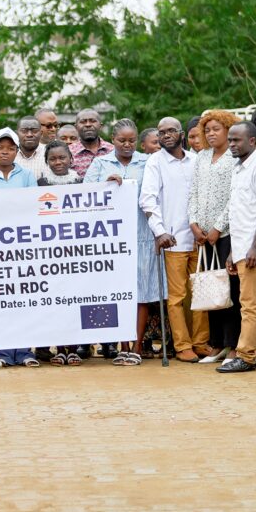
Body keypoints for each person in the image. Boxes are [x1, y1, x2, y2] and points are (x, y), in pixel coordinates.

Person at [140, 117, 210, 363]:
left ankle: (201, 342)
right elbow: (148, 200)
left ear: (181, 134)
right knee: (178, 296)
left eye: (171, 131)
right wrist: (160, 231)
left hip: (199, 238)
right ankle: (182, 345)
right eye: (162, 132)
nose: (166, 135)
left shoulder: (196, 160)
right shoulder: (155, 162)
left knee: (200, 293)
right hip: (173, 240)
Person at [86, 120, 154, 365]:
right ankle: (121, 345)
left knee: (141, 293)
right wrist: (105, 186)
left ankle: (136, 346)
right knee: (116, 290)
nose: (127, 145)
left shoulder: (148, 163)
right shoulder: (100, 164)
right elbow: (86, 197)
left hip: (141, 236)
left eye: (131, 140)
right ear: (112, 139)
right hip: (110, 240)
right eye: (121, 140)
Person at [217, 122, 256, 372]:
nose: (231, 144)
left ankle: (245, 355)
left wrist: (255, 246)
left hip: (254, 247)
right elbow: (240, 212)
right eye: (230, 140)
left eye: (236, 140)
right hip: (242, 245)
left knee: (248, 302)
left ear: (252, 141)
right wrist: (233, 250)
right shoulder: (239, 168)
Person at [0, 128, 39, 368]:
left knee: (23, 299)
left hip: (23, 246)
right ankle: (2, 351)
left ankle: (24, 351)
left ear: (17, 151)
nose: (5, 152)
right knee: (1, 300)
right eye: (0, 148)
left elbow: (33, 207)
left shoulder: (26, 176)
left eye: (10, 148)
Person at [189, 110, 241, 363]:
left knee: (229, 290)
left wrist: (218, 228)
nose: (210, 134)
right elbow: (194, 192)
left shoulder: (235, 158)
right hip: (203, 235)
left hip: (226, 233)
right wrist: (194, 223)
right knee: (210, 288)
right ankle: (217, 344)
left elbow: (236, 197)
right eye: (207, 130)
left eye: (216, 129)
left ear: (229, 130)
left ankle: (233, 346)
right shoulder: (201, 157)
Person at [38, 139, 85, 365]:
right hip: (49, 251)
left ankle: (73, 347)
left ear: (71, 159)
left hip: (74, 250)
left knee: (74, 298)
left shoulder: (81, 182)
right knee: (54, 301)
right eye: (53, 159)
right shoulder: (40, 184)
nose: (58, 162)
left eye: (62, 158)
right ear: (46, 162)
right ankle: (58, 347)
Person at [69, 109, 113, 178]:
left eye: (92, 121)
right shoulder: (68, 152)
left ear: (100, 126)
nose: (88, 124)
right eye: (83, 122)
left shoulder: (113, 151)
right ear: (76, 127)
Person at [15, 115, 48, 181]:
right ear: (17, 133)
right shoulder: (8, 155)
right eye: (24, 131)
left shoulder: (49, 153)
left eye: (34, 131)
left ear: (41, 133)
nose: (29, 134)